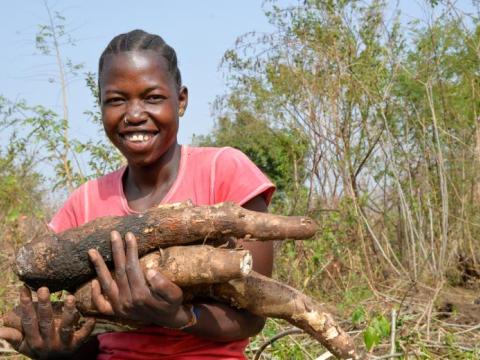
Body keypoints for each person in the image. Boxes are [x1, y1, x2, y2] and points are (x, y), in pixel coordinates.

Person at [0, 29, 275, 359]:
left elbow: (252, 315)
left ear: (181, 100)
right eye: (116, 100)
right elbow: (88, 334)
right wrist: (59, 350)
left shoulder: (225, 171)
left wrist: (179, 317)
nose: (133, 114)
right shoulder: (83, 203)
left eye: (152, 97)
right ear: (101, 106)